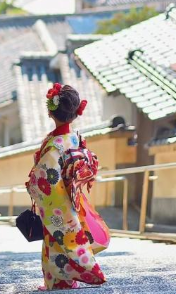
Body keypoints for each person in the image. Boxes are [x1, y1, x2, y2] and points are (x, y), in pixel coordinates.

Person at [26, 83, 109, 291]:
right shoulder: (74, 137)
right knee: (68, 236)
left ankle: (59, 281)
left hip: (58, 198)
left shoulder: (56, 143)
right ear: (74, 113)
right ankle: (64, 279)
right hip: (71, 196)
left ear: (50, 112)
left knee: (57, 237)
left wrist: (33, 183)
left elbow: (46, 176)